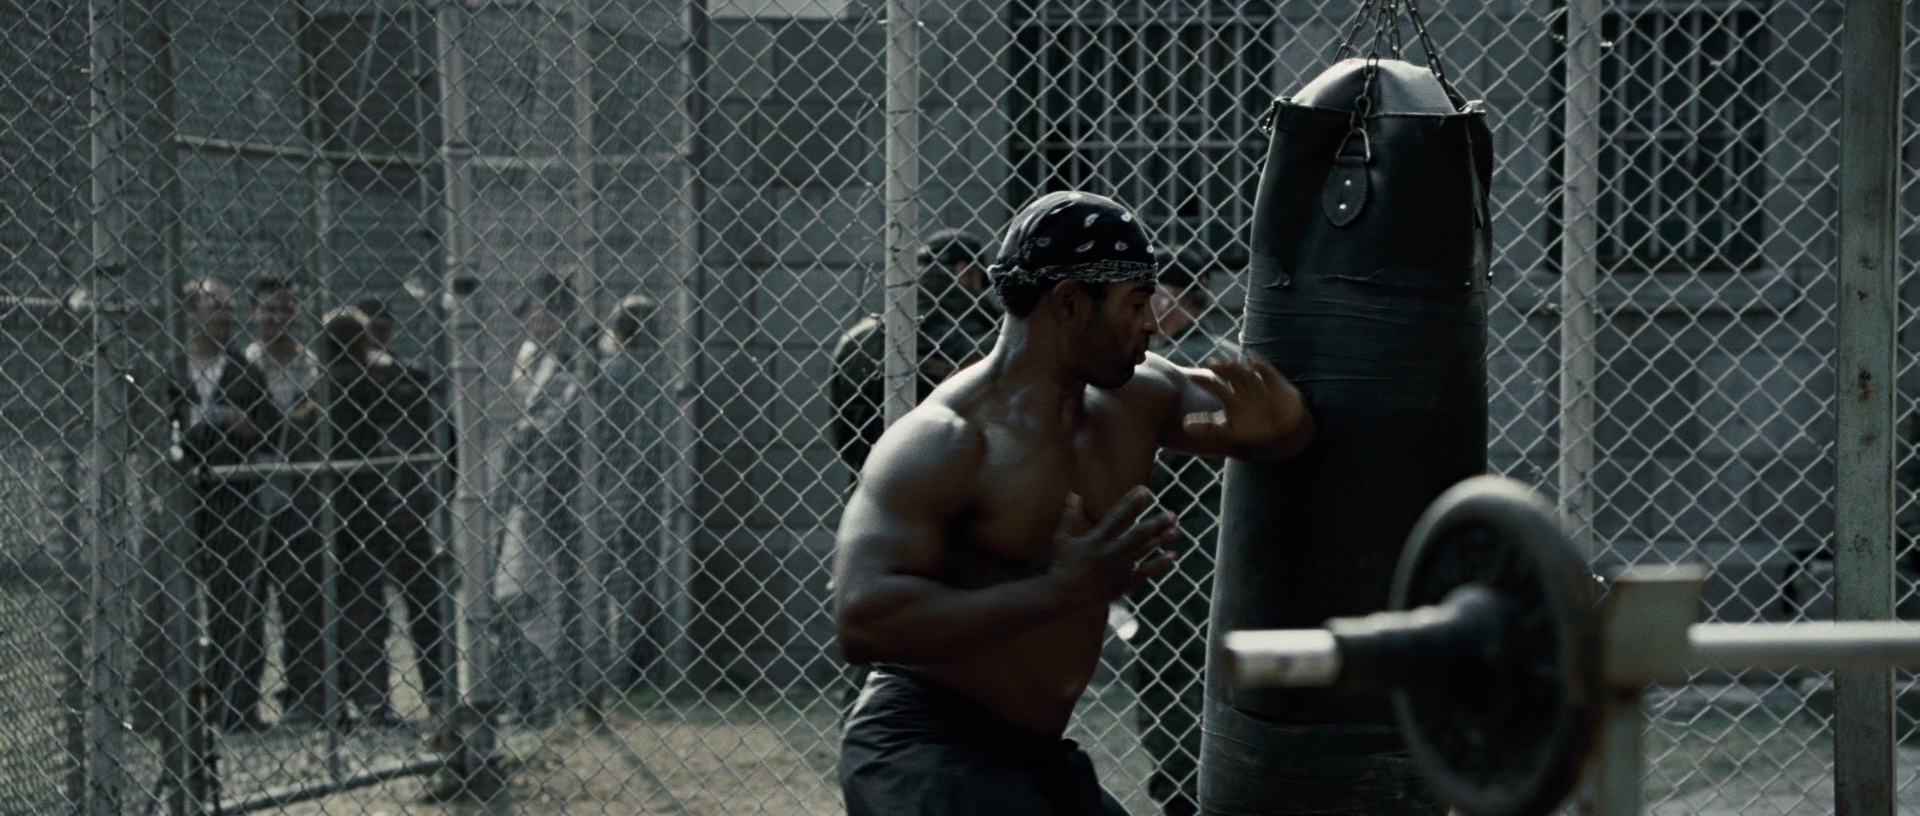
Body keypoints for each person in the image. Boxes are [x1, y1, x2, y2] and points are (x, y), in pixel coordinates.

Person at [833, 191, 1314, 816]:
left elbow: (1259, 427)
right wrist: (1059, 590)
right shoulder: (947, 440)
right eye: (1135, 303)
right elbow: (863, 620)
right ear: (1068, 303)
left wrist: (1289, 428)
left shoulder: (1140, 396)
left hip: (1038, 758)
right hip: (924, 751)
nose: (1151, 323)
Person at [1126, 246, 1239, 816]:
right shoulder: (1229, 355)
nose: (1141, 311)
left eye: (1149, 297)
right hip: (1235, 535)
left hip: (1183, 538)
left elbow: (1146, 470)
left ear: (1176, 298)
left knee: (1171, 668)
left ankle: (1183, 793)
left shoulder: (1165, 369)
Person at [133, 278, 275, 734]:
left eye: (230, 310)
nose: (226, 318)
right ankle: (154, 710)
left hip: (233, 497)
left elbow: (271, 432)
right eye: (216, 309)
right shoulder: (166, 368)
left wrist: (247, 428)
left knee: (238, 604)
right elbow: (143, 428)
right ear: (189, 314)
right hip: (177, 497)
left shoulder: (245, 372)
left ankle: (235, 708)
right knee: (161, 602)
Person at [490, 273, 586, 723]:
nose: (532, 322)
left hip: (557, 496)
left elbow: (552, 428)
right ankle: (522, 695)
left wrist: (526, 435)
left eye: (540, 312)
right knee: (516, 594)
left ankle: (548, 697)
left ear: (560, 314)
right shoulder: (532, 359)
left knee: (545, 598)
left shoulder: (574, 362)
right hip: (524, 492)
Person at [828, 228, 1001, 470]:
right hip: (953, 482)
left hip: (873, 478)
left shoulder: (858, 337)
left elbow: (844, 434)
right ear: (965, 271)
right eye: (982, 282)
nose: (982, 292)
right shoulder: (991, 341)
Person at [245, 274, 330, 727]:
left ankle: (304, 694)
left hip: (300, 496)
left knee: (301, 598)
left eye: (286, 308)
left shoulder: (311, 367)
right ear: (254, 314)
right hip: (252, 493)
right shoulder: (243, 365)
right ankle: (242, 700)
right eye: (269, 309)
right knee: (248, 599)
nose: (278, 317)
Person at [594, 294, 669, 690]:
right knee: (641, 581)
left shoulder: (611, 371)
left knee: (608, 582)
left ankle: (616, 671)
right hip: (649, 489)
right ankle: (642, 668)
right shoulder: (661, 372)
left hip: (610, 487)